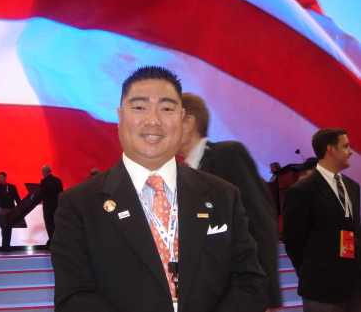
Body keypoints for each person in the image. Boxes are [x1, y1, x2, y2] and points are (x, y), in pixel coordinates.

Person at [51, 66, 267, 312]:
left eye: (166, 109)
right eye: (139, 107)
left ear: (182, 118)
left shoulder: (223, 195)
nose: (153, 120)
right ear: (120, 116)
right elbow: (74, 298)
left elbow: (249, 283)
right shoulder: (78, 204)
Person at [177, 92, 282, 311]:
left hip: (236, 297)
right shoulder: (179, 174)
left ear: (188, 123)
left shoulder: (227, 153)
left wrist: (267, 295)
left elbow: (260, 222)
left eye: (169, 116)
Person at [282, 128, 361, 312]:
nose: (350, 151)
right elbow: (293, 240)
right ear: (330, 150)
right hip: (321, 289)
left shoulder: (352, 186)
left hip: (354, 286)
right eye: (345, 146)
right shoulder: (302, 190)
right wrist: (311, 274)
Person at [32, 165, 63, 250]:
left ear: (45, 172)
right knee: (56, 226)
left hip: (48, 207)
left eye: (42, 171)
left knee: (50, 226)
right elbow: (61, 193)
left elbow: (41, 193)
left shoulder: (44, 181)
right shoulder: (58, 180)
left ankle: (52, 245)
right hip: (57, 206)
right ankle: (57, 244)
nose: (41, 173)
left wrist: (33, 197)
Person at [0, 172, 21, 252]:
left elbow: (17, 198)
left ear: (5, 177)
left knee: (8, 228)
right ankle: (5, 246)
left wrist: (20, 207)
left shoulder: (12, 187)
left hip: (10, 211)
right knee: (4, 228)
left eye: (1, 177)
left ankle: (6, 246)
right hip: (0, 210)